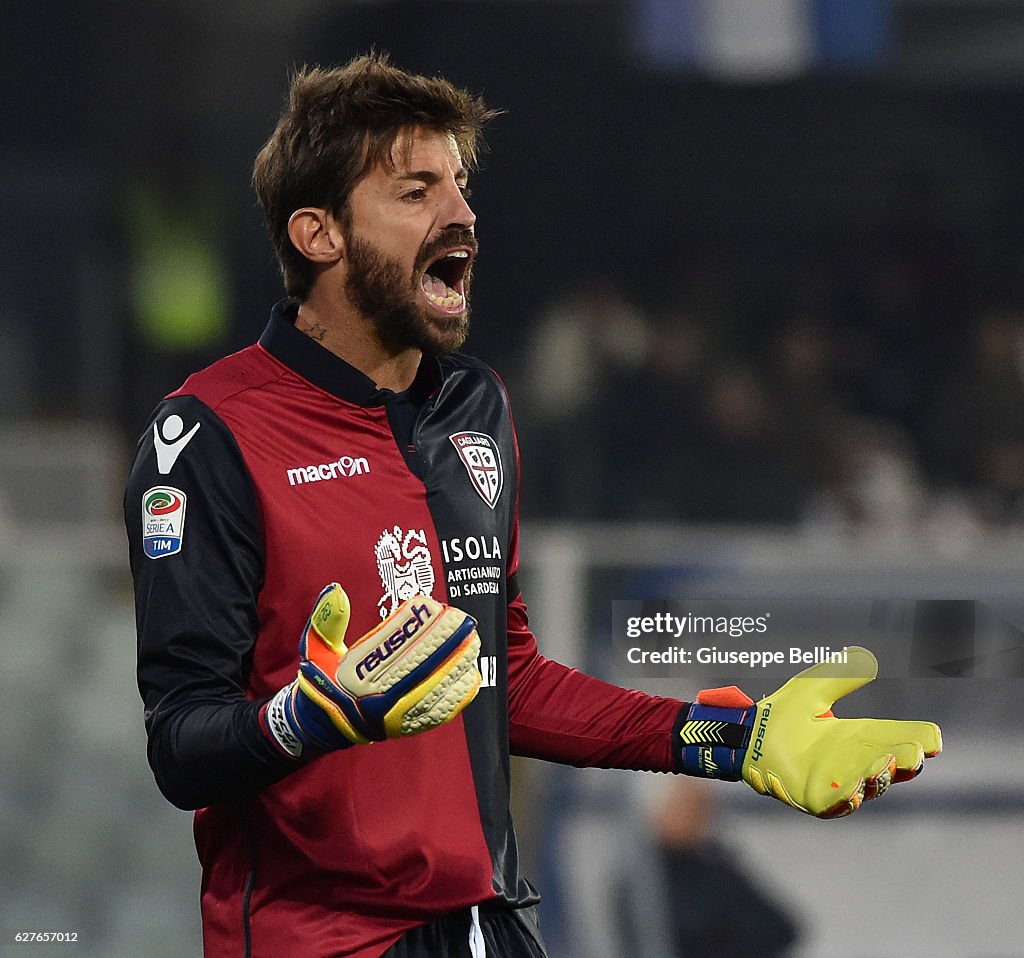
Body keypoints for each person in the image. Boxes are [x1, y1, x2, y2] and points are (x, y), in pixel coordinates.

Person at [125, 54, 942, 958]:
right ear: (319, 235)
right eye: (416, 190)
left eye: (461, 187)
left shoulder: (476, 406)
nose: (462, 214)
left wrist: (731, 741)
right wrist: (310, 716)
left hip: (491, 926)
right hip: (324, 939)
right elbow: (181, 744)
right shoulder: (210, 434)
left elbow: (505, 679)